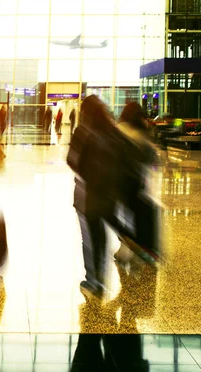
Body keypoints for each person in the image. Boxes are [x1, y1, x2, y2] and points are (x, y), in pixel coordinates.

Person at [67, 95, 131, 297]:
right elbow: (124, 161)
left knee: (90, 239)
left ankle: (94, 282)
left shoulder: (83, 131)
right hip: (110, 194)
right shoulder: (114, 131)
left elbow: (72, 160)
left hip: (88, 194)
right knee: (101, 237)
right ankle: (128, 241)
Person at [116, 102, 160, 263]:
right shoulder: (140, 133)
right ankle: (144, 247)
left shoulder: (119, 129)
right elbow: (151, 158)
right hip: (137, 182)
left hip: (119, 181)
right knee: (140, 215)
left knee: (124, 216)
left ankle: (125, 247)